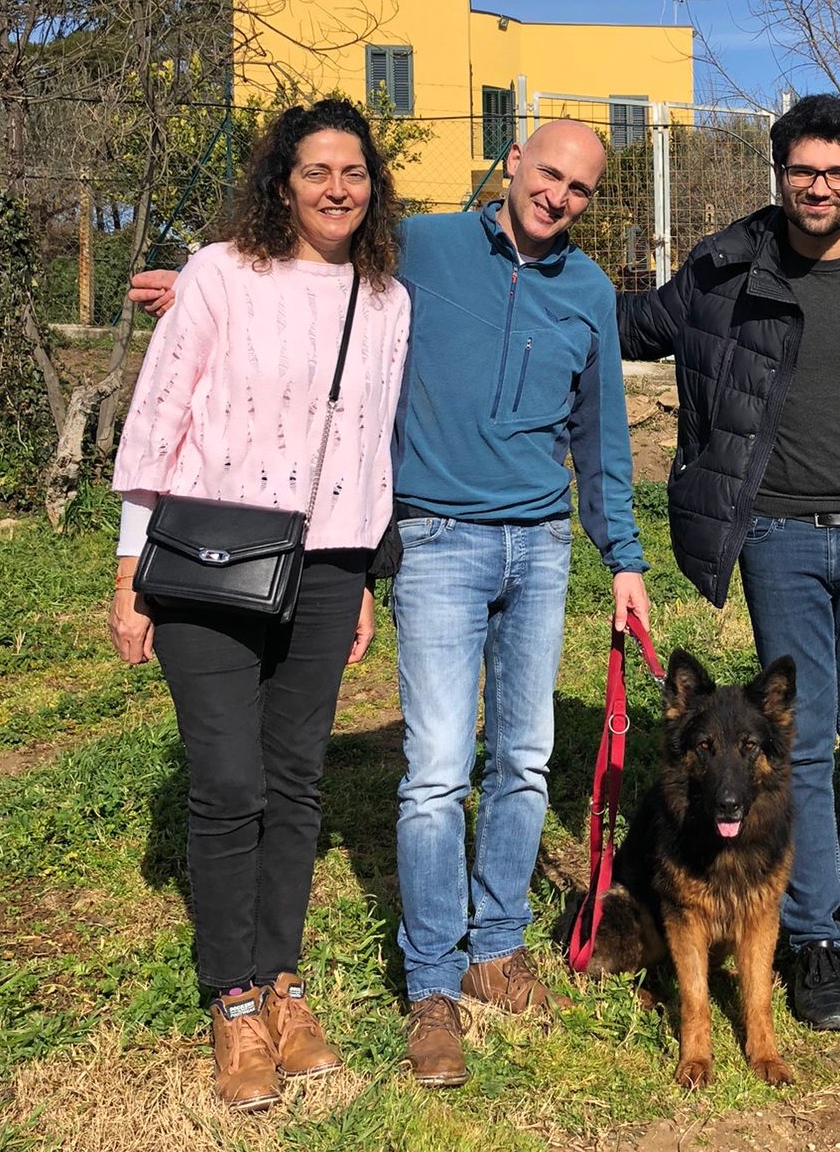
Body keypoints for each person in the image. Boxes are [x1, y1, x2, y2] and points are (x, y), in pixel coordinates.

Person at [129, 118, 651, 1089]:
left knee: (527, 757)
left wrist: (623, 554)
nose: (560, 198)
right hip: (439, 540)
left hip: (539, 546)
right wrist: (206, 283)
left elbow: (604, 434)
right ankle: (433, 985)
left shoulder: (588, 290)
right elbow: (305, 263)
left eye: (581, 188)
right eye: (549, 175)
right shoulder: (424, 246)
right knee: (436, 769)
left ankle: (498, 944)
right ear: (513, 165)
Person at [617, 94, 840, 1030]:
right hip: (780, 536)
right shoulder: (725, 269)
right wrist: (514, 277)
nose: (818, 186)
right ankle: (808, 937)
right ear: (779, 171)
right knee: (794, 744)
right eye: (803, 169)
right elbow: (632, 325)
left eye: (836, 173)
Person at [110, 99, 411, 1112]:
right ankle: (230, 997)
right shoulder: (221, 273)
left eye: (354, 172)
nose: (337, 188)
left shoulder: (386, 298)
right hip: (208, 559)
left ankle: (282, 977)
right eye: (317, 170)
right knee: (229, 780)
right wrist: (128, 570)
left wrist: (366, 573)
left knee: (295, 780)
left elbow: (370, 446)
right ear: (283, 179)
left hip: (326, 568)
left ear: (374, 187)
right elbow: (159, 415)